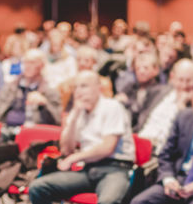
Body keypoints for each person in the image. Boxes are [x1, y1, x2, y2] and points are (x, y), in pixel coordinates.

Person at [28, 71, 135, 204]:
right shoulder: (79, 111)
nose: (78, 91)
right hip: (88, 169)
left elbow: (108, 147)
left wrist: (75, 158)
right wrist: (73, 118)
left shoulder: (112, 107)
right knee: (38, 187)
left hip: (115, 168)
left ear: (98, 88)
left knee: (107, 202)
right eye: (75, 87)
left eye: (84, 86)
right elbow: (66, 150)